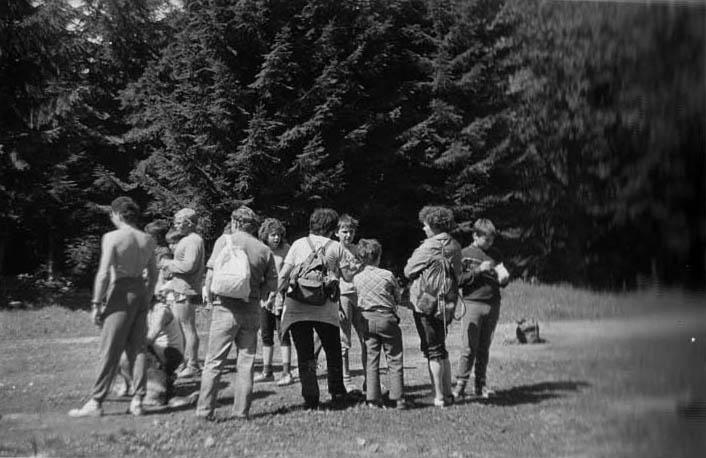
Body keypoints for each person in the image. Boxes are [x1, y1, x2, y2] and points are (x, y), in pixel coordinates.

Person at [68, 196, 157, 417]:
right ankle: (138, 400)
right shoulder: (147, 239)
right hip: (140, 291)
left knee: (109, 348)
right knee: (138, 349)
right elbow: (154, 274)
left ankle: (96, 401)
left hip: (121, 292)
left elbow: (104, 273)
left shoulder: (112, 237)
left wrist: (96, 303)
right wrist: (147, 297)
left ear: (117, 214)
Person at [196, 206, 278, 420]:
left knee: (214, 362)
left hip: (224, 307)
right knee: (246, 362)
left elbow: (211, 274)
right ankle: (241, 412)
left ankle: (204, 411)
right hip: (251, 309)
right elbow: (273, 284)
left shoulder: (224, 241)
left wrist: (210, 299)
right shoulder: (263, 249)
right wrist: (258, 294)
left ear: (235, 222)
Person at [278, 208, 361, 409]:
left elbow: (284, 274)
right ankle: (337, 393)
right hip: (326, 309)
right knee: (333, 352)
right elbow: (348, 276)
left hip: (297, 309)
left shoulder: (298, 244)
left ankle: (311, 398)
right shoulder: (336, 246)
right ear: (332, 228)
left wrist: (277, 297)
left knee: (305, 355)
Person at [403, 205, 462, 407]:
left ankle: (438, 396)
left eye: (426, 225)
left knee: (433, 351)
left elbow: (408, 270)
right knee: (441, 348)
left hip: (426, 303)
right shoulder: (455, 245)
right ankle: (447, 393)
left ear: (435, 226)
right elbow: (458, 273)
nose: (424, 228)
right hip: (447, 303)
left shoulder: (428, 247)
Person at [453, 218, 510, 400]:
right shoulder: (464, 254)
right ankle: (460, 385)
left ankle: (480, 385)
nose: (490, 244)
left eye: (492, 240)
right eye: (486, 240)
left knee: (484, 347)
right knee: (469, 347)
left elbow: (501, 278)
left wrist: (504, 280)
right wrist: (478, 270)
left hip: (493, 304)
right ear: (475, 236)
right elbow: (458, 280)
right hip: (472, 304)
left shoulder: (496, 254)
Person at [353, 239, 407, 409]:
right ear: (379, 256)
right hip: (386, 318)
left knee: (371, 359)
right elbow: (397, 297)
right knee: (394, 358)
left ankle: (372, 399)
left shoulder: (357, 278)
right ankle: (398, 398)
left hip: (367, 320)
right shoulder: (387, 275)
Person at [115, 298, 185, 406]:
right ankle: (130, 385)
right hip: (157, 349)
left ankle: (156, 388)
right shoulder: (145, 310)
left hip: (170, 353)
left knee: (126, 353)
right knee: (118, 351)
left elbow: (149, 339)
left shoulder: (161, 311)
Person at [161, 208, 205, 378]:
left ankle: (193, 364)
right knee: (182, 328)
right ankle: (185, 363)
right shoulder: (191, 239)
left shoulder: (192, 241)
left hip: (186, 289)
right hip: (183, 288)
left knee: (187, 328)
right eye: (176, 222)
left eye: (179, 222)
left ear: (189, 223)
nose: (176, 225)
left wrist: (168, 264)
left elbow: (189, 265)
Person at [254, 218, 294, 386]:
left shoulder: (287, 250)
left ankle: (286, 372)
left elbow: (290, 273)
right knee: (266, 333)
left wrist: (280, 292)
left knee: (283, 333)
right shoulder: (260, 249)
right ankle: (267, 371)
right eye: (272, 235)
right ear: (265, 236)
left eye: (278, 235)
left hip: (282, 297)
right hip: (264, 298)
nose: (276, 238)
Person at [335, 214, 366, 391]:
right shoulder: (336, 249)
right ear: (337, 233)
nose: (348, 235)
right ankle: (346, 380)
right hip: (343, 296)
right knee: (344, 341)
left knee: (366, 338)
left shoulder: (357, 249)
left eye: (351, 232)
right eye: (344, 231)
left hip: (359, 296)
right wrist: (358, 267)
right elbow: (345, 275)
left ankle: (369, 379)